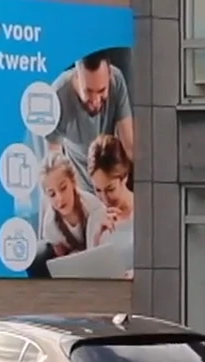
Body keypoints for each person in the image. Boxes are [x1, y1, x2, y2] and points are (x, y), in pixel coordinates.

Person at [48, 52, 134, 192]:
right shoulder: (57, 96)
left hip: (113, 185)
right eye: (88, 91)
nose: (95, 101)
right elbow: (54, 160)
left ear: (109, 75)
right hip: (81, 191)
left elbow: (129, 144)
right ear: (76, 76)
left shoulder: (117, 80)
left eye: (101, 90)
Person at [38, 150, 104, 258]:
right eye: (52, 194)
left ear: (73, 182)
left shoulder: (93, 206)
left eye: (63, 188)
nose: (60, 198)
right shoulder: (50, 226)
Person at [87, 133, 134, 248]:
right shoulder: (95, 219)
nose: (105, 199)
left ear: (125, 177)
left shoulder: (148, 211)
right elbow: (90, 264)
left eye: (110, 189)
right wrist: (97, 237)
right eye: (98, 190)